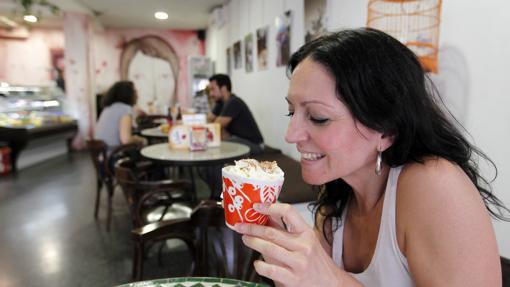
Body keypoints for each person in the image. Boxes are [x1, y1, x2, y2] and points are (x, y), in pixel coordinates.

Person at [234, 28, 509, 286]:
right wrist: (285, 263)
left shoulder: (434, 185)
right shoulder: (337, 200)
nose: (291, 135)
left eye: (318, 117)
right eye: (292, 112)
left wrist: (333, 280)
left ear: (386, 131)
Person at [208, 73, 264, 154]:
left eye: (213, 89)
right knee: (217, 142)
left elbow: (215, 127)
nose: (211, 94)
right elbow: (209, 119)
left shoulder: (234, 102)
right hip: (238, 139)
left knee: (219, 145)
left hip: (255, 145)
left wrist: (221, 130)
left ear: (223, 88)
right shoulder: (220, 102)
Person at [95, 81, 146, 152]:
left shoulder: (109, 107)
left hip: (102, 154)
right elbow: (126, 140)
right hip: (113, 155)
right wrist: (140, 139)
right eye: (135, 92)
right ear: (128, 94)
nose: (138, 96)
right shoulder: (125, 109)